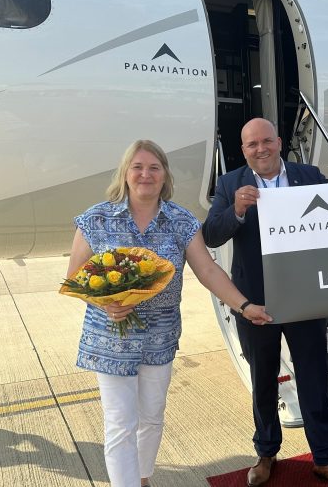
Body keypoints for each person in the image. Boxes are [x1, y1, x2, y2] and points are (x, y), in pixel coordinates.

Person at [68, 140, 270, 487]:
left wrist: (245, 306)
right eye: (137, 167)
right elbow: (76, 275)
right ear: (125, 174)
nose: (145, 174)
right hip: (111, 338)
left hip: (159, 337)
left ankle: (143, 477)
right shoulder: (96, 218)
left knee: (151, 417)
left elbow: (208, 270)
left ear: (164, 176)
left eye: (154, 168)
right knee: (119, 423)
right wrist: (107, 303)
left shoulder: (180, 221)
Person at [204, 118, 328, 487]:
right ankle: (266, 453)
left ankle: (327, 459)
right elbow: (211, 233)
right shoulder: (230, 183)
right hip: (255, 301)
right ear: (243, 150)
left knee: (314, 377)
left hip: (305, 295)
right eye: (252, 145)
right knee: (264, 379)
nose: (260, 149)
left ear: (280, 142)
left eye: (266, 141)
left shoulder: (309, 175)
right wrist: (236, 210)